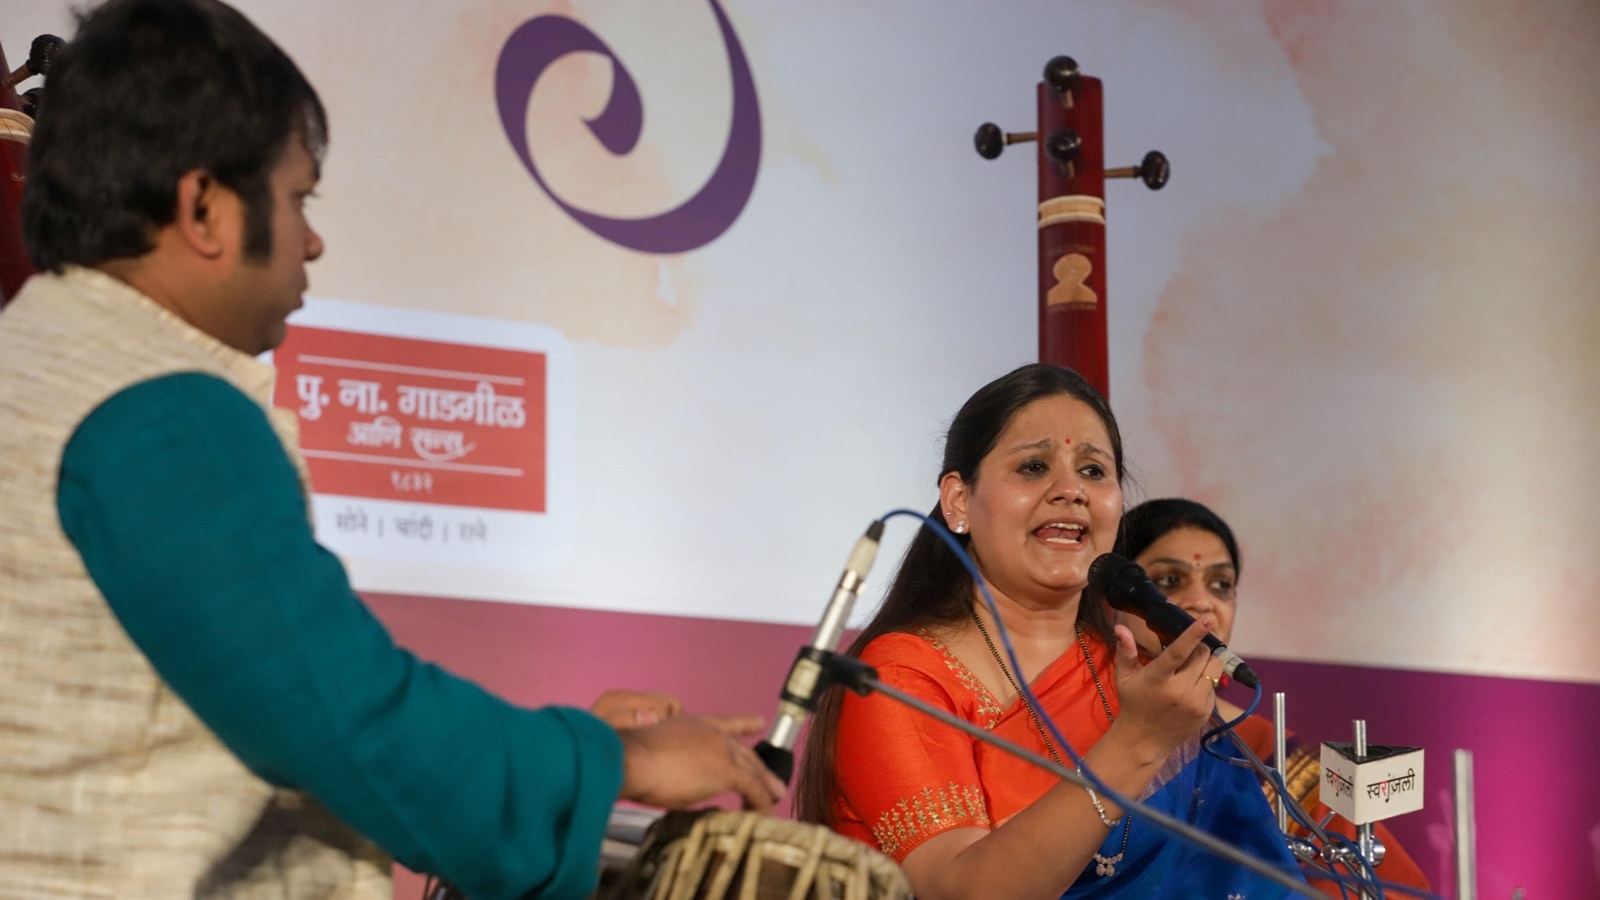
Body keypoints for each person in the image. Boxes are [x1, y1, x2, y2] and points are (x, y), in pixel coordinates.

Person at [0, 1, 783, 897]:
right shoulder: (162, 414)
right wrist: (617, 758)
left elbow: (286, 711)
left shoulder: (41, 362)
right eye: (298, 199)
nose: (314, 238)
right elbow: (351, 724)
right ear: (205, 207)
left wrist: (550, 747)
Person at [794, 363, 1305, 899]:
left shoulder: (1133, 677)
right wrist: (1135, 743)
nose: (1071, 491)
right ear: (958, 502)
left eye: (1093, 471)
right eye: (1035, 467)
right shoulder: (900, 678)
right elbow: (957, 891)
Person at [1117, 497, 1431, 893]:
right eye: (1168, 581)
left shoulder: (1268, 752)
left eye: (1221, 585)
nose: (1201, 601)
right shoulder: (1081, 722)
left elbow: (1393, 887)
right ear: (1113, 598)